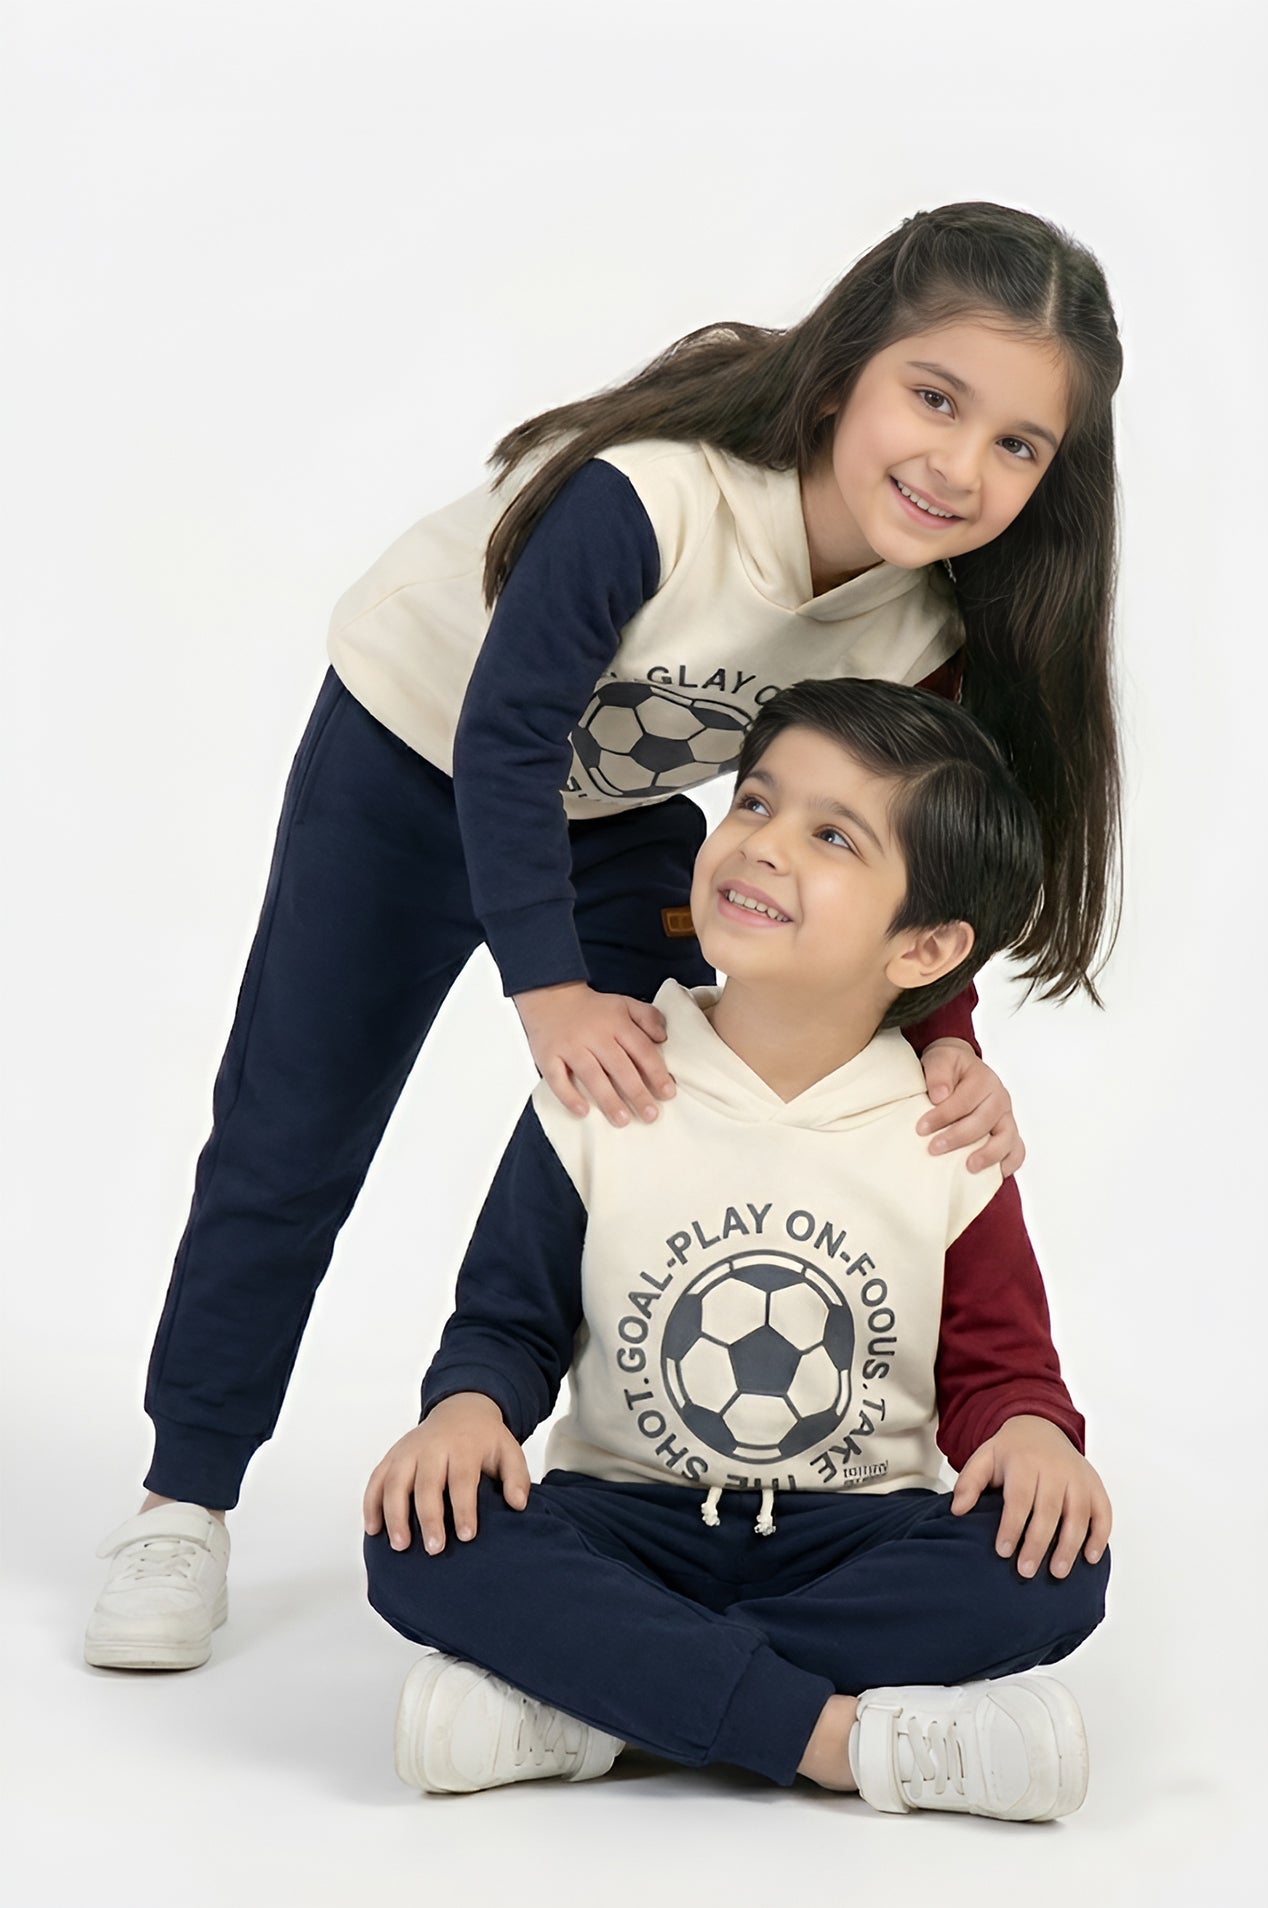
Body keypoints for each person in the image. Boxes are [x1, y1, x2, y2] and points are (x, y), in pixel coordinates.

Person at [85, 201, 1122, 1673]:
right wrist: (551, 991)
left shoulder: (918, 623)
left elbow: (909, 879)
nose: (961, 466)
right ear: (842, 376)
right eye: (935, 399)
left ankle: (655, 1487)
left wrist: (951, 1051)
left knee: (655, 1109)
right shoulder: (657, 499)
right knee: (293, 1130)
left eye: (1019, 444)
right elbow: (508, 738)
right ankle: (182, 1492)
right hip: (411, 759)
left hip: (617, 809)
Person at [362, 678, 1112, 1820]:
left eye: (829, 835)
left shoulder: (942, 1131)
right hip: (623, 1516)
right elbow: (507, 1321)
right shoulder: (606, 1081)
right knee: (421, 1537)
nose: (759, 845)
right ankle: (843, 1742)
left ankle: (594, 1702)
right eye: (754, 803)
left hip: (852, 1535)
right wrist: (466, 1410)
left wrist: (1028, 1437)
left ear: (924, 947)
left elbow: (998, 1368)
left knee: (1054, 1565)